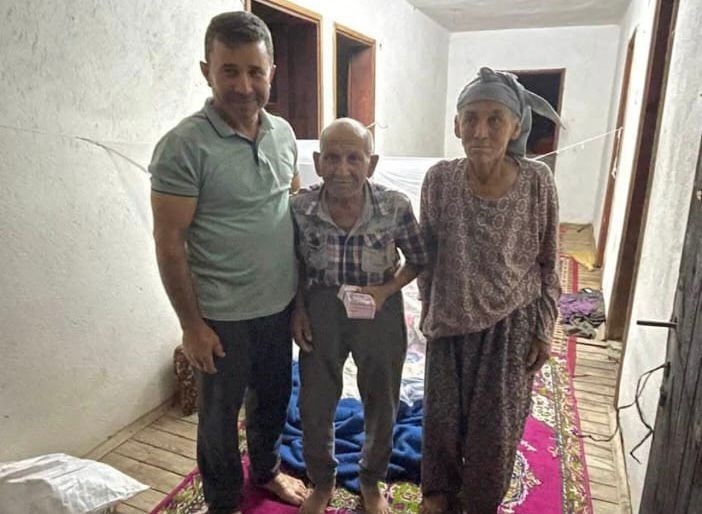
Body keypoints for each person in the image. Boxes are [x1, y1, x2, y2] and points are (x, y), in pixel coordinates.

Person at [149, 11, 307, 514]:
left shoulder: (284, 134)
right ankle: (221, 501)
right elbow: (169, 243)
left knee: (274, 398)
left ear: (271, 72)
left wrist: (301, 301)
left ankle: (266, 471)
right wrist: (191, 326)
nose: (243, 85)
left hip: (278, 306)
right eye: (229, 71)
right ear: (207, 71)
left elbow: (293, 212)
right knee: (218, 419)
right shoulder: (183, 147)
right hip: (220, 317)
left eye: (255, 71)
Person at [418, 67, 563, 514]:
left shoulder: (538, 182)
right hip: (449, 321)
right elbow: (427, 254)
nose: (480, 131)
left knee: (495, 427)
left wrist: (544, 329)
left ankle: (481, 500)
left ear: (516, 127)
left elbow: (549, 261)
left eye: (495, 119)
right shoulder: (439, 179)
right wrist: (427, 309)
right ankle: (438, 492)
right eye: (471, 118)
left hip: (510, 325)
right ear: (456, 125)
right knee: (441, 421)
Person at [290, 118, 429, 514]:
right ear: (317, 161)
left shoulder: (394, 206)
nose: (342, 169)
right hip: (321, 309)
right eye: (332, 158)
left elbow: (419, 258)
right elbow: (293, 263)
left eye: (354, 158)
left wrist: (385, 291)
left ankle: (371, 480)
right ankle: (322, 480)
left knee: (381, 399)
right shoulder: (300, 208)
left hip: (379, 308)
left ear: (372, 162)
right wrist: (299, 309)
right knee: (315, 401)